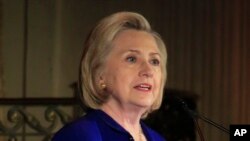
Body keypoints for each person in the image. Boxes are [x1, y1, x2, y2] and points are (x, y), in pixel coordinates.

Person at [52, 11, 167, 141]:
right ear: (100, 74)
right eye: (131, 59)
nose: (148, 71)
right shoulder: (79, 136)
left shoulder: (158, 139)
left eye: (154, 61)